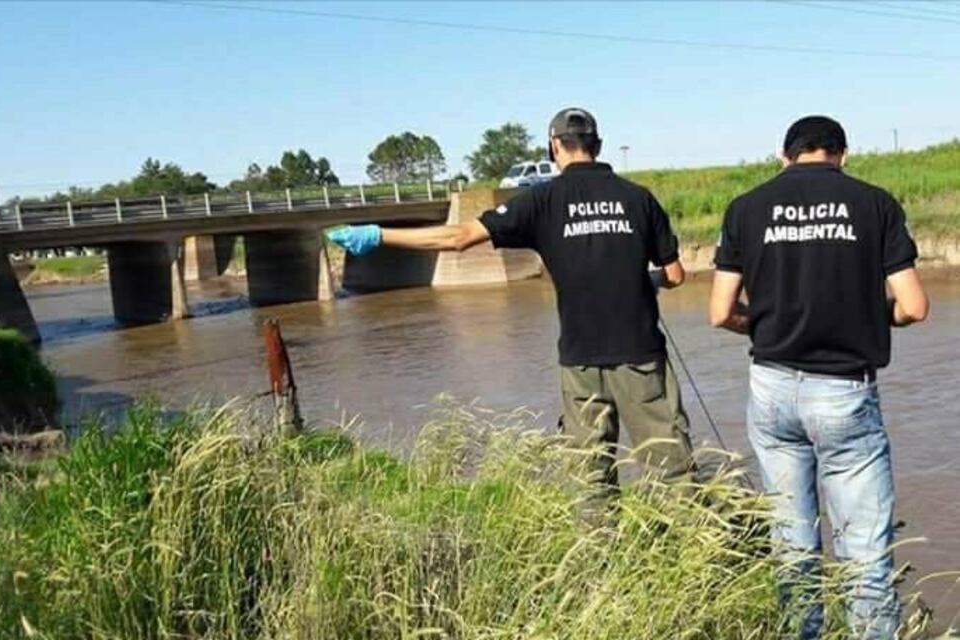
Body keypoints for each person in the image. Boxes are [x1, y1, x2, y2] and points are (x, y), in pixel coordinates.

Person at [330, 107, 696, 515]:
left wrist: (380, 235)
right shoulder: (638, 198)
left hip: (580, 362)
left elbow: (458, 238)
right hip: (641, 356)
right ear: (599, 146)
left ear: (554, 146)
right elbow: (676, 275)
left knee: (590, 480)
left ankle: (600, 568)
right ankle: (693, 563)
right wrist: (646, 282)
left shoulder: (541, 201)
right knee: (672, 471)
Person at [709, 115, 929, 639]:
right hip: (844, 393)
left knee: (792, 544)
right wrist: (879, 315)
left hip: (771, 388)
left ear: (783, 157)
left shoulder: (746, 207)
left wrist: (760, 327)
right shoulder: (874, 203)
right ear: (843, 155)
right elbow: (915, 306)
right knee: (866, 551)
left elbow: (720, 313)